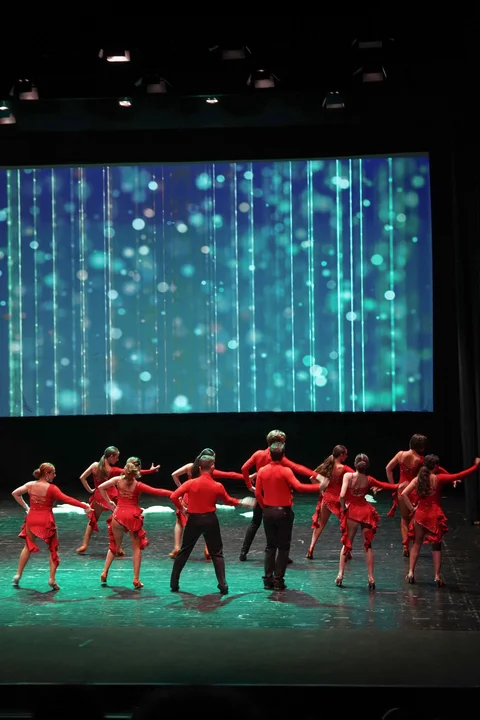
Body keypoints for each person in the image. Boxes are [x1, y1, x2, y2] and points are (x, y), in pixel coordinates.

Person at [170, 456, 255, 594]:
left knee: (184, 551)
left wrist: (182, 509)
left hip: (194, 520)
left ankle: (174, 584)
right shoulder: (217, 485)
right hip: (210, 520)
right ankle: (223, 585)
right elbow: (228, 500)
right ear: (212, 467)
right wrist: (242, 502)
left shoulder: (190, 483)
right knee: (217, 554)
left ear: (199, 468)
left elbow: (173, 496)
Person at [240, 429, 319, 561]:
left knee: (255, 522)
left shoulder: (259, 454)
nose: (284, 444)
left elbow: (245, 468)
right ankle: (283, 554)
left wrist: (249, 485)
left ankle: (243, 552)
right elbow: (295, 468)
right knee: (281, 523)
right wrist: (317, 476)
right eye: (283, 441)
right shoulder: (279, 457)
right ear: (277, 443)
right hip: (276, 493)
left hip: (262, 491)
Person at [11, 463, 92, 590]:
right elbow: (67, 499)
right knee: (53, 548)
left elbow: (15, 493)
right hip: (45, 520)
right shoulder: (52, 488)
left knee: (27, 546)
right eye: (53, 473)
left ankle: (18, 575)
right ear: (47, 474)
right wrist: (85, 506)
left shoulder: (30, 485)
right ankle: (52, 579)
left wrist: (27, 508)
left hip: (32, 519)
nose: (55, 475)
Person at [401, 455, 480, 586]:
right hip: (433, 515)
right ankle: (437, 576)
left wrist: (412, 509)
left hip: (420, 514)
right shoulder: (438, 478)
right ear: (436, 466)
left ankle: (410, 572)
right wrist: (476, 466)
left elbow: (404, 493)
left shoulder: (418, 479)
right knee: (436, 546)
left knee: (416, 543)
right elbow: (459, 475)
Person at [98, 457, 172, 588]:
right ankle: (136, 579)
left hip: (118, 515)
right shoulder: (138, 485)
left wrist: (109, 502)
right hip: (132, 516)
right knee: (136, 548)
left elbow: (100, 487)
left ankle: (104, 571)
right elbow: (158, 491)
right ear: (137, 470)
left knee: (114, 545)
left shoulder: (117, 480)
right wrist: (176, 493)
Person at [254, 442, 319, 591]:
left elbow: (257, 493)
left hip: (268, 512)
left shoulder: (262, 471)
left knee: (270, 546)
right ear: (283, 455)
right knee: (283, 547)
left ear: (270, 455)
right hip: (283, 513)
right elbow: (299, 487)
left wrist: (265, 507)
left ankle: (268, 580)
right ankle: (278, 581)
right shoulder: (286, 471)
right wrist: (319, 486)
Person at [76, 445, 159, 555]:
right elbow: (132, 472)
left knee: (93, 520)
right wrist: (150, 471)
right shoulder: (113, 470)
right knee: (119, 521)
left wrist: (91, 490)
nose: (118, 459)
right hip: (112, 496)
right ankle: (118, 547)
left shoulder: (94, 465)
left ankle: (84, 545)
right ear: (111, 457)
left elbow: (82, 477)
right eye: (116, 457)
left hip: (99, 495)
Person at [336, 454, 400, 590]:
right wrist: (399, 485)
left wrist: (343, 508)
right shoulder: (369, 479)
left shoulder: (348, 476)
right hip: (365, 512)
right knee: (368, 546)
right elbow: (385, 485)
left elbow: (341, 495)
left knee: (347, 543)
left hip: (352, 512)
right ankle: (371, 577)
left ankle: (340, 575)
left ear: (355, 464)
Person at [385, 434, 448, 557]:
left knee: (404, 519)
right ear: (421, 447)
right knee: (415, 520)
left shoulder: (400, 454)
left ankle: (405, 546)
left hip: (402, 490)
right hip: (414, 491)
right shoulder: (420, 459)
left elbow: (388, 468)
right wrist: (450, 476)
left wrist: (394, 486)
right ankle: (415, 544)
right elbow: (437, 468)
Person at [306, 444, 354, 559]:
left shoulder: (327, 465)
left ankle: (311, 548)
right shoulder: (344, 469)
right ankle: (347, 551)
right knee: (346, 525)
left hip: (327, 498)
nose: (346, 456)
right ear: (341, 455)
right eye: (346, 454)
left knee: (321, 524)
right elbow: (357, 476)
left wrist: (321, 491)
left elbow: (312, 477)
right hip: (338, 500)